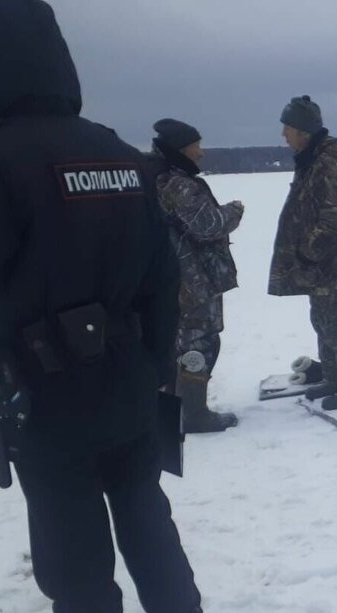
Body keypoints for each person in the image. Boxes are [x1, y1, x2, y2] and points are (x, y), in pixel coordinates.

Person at [0, 2, 209, 613]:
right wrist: (153, 373)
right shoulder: (118, 153)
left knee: (73, 549)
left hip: (44, 396)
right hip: (126, 383)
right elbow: (162, 280)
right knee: (147, 518)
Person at [269, 95, 337, 411]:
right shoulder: (309, 164)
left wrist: (307, 251)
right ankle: (334, 378)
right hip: (323, 270)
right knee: (325, 323)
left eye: (287, 128)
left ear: (303, 131)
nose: (283, 135)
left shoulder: (325, 166)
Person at [148, 118, 243, 433]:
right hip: (192, 281)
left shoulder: (160, 179)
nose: (201, 153)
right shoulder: (179, 183)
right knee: (198, 343)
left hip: (179, 278)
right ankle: (193, 415)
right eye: (196, 146)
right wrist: (233, 212)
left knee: (186, 342)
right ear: (180, 150)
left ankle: (179, 409)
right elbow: (208, 226)